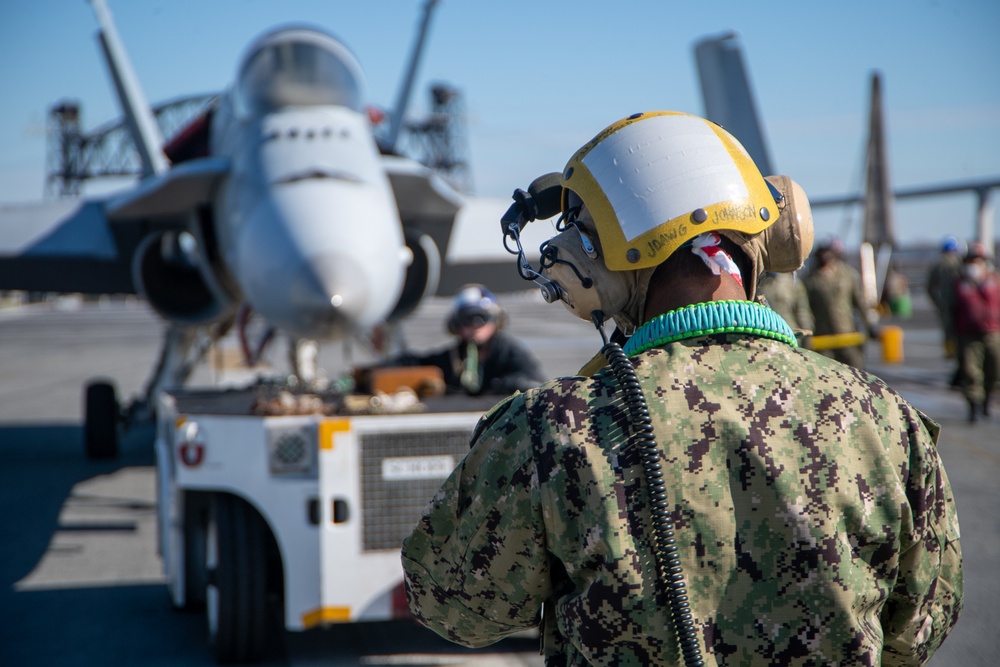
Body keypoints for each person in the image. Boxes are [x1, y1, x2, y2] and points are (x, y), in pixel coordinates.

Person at [401, 111, 962, 666]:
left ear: (596, 266)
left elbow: (451, 605)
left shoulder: (552, 428)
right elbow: (920, 628)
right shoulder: (887, 419)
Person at [363, 284, 544, 396]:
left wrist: (497, 386)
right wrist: (377, 370)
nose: (475, 326)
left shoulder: (510, 353)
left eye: (481, 318)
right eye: (467, 320)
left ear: (495, 321)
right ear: (456, 325)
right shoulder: (453, 358)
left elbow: (533, 381)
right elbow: (417, 362)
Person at [802, 239, 878, 369]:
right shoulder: (810, 280)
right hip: (823, 338)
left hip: (847, 334)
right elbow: (805, 310)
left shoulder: (847, 274)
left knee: (855, 371)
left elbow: (860, 302)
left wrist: (870, 325)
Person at [952, 241, 1000, 422]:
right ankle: (973, 406)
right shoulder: (960, 283)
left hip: (993, 332)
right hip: (968, 334)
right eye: (972, 260)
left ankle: (987, 399)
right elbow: (951, 308)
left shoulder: (994, 280)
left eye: (979, 260)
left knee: (994, 370)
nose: (976, 264)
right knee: (971, 372)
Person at [927, 236, 964, 359]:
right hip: (961, 303)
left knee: (948, 329)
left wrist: (937, 302)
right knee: (962, 330)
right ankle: (960, 352)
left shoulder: (938, 265)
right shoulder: (961, 264)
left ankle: (950, 352)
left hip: (946, 303)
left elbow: (930, 288)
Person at [759, 270, 814, 337]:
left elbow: (803, 311)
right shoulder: (760, 283)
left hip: (791, 333)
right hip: (769, 333)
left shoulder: (793, 282)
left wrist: (807, 331)